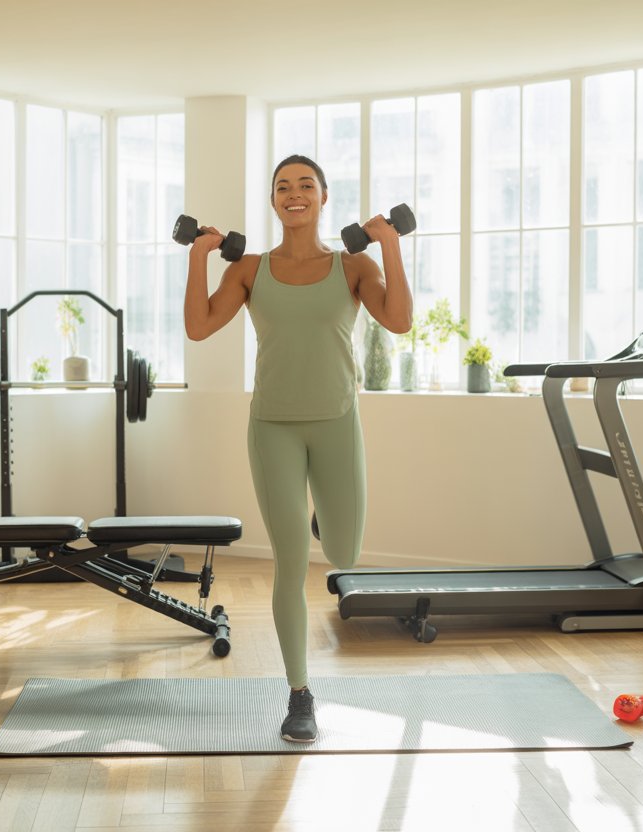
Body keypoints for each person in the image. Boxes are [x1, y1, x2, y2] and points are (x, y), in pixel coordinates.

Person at [184, 154, 412, 742]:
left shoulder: (352, 264)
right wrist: (198, 256)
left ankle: (320, 518)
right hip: (273, 428)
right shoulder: (250, 269)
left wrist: (388, 243)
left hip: (336, 423)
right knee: (290, 566)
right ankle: (300, 696)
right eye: (283, 187)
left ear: (324, 197)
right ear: (273, 200)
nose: (294, 194)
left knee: (344, 553)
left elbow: (400, 321)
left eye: (305, 185)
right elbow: (199, 327)